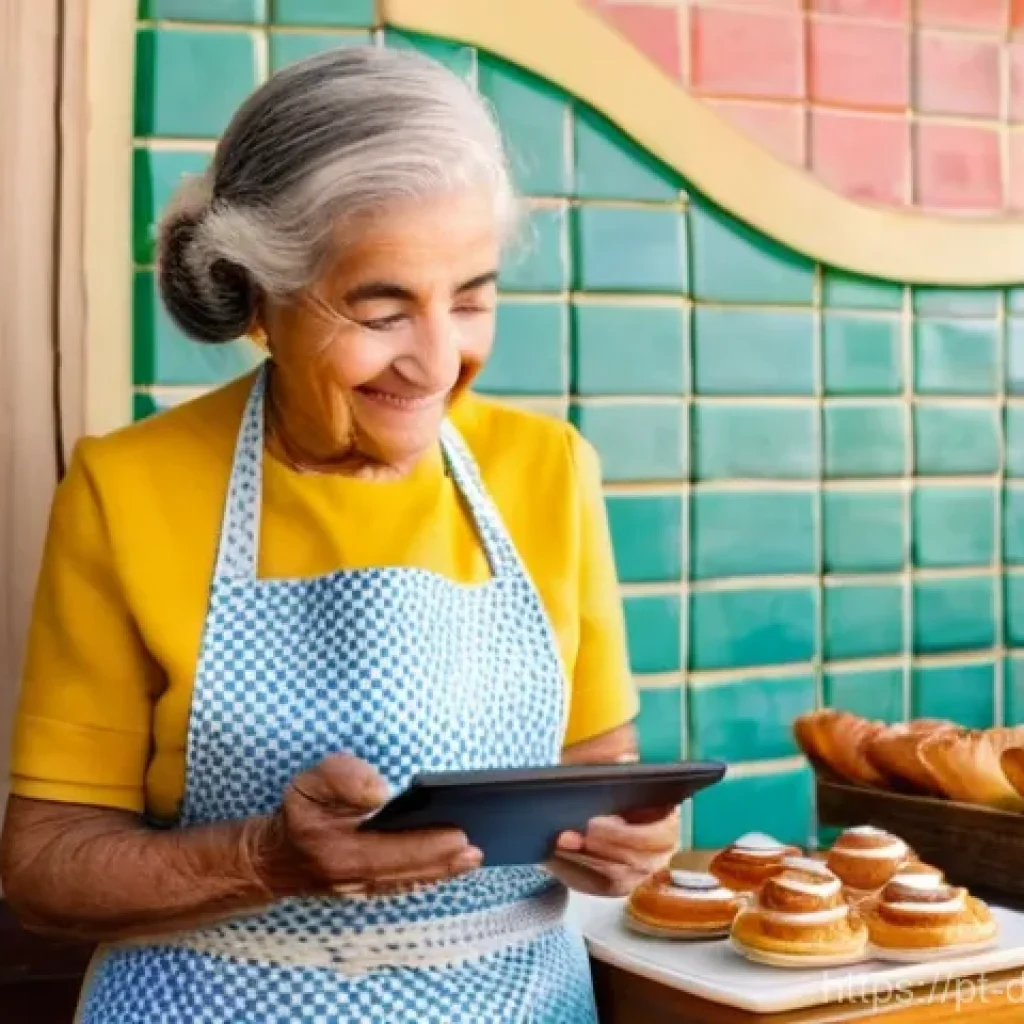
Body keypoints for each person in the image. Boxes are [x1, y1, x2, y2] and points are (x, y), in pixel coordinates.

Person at [0, 46, 678, 1023]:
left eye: (470, 298)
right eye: (381, 307)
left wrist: (632, 842)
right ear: (263, 299)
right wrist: (265, 859)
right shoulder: (129, 486)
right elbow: (45, 866)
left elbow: (604, 774)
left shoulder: (549, 470)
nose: (438, 361)